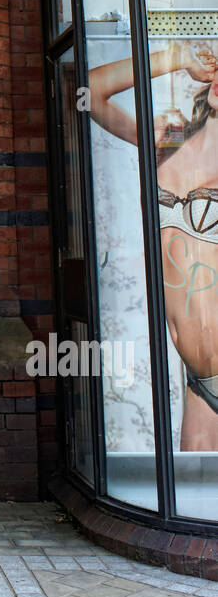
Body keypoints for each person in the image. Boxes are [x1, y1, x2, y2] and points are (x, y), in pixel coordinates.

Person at [89, 41, 218, 450]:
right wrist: (174, 57)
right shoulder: (171, 139)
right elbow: (91, 91)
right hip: (200, 381)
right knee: (198, 502)